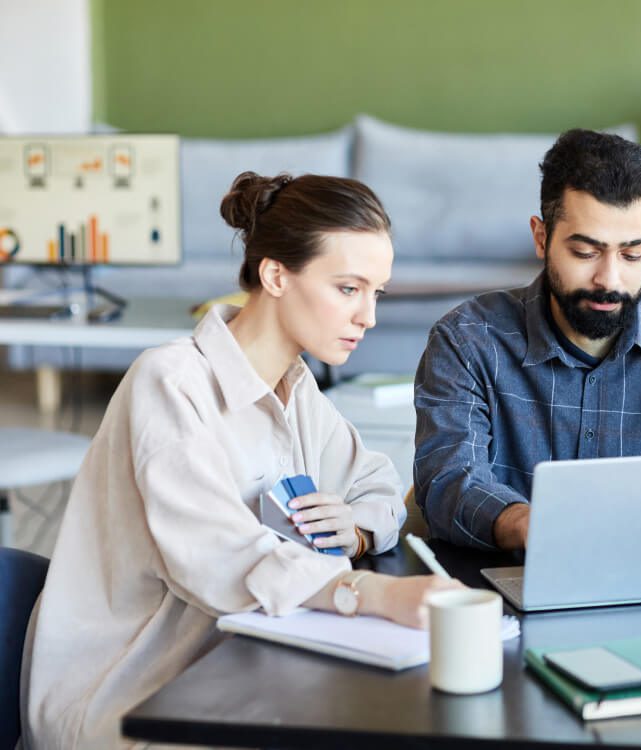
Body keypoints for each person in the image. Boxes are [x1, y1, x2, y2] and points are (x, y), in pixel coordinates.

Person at [21, 172, 459, 750]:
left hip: (241, 668)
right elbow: (217, 556)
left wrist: (356, 528)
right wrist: (370, 593)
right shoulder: (171, 382)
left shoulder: (295, 387)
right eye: (349, 289)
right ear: (276, 274)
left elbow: (375, 481)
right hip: (129, 699)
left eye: (377, 292)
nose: (368, 317)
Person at [414, 129, 641, 551]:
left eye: (633, 255)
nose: (610, 280)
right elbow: (447, 481)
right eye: (585, 252)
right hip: (505, 589)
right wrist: (523, 524)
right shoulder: (467, 342)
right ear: (542, 238)